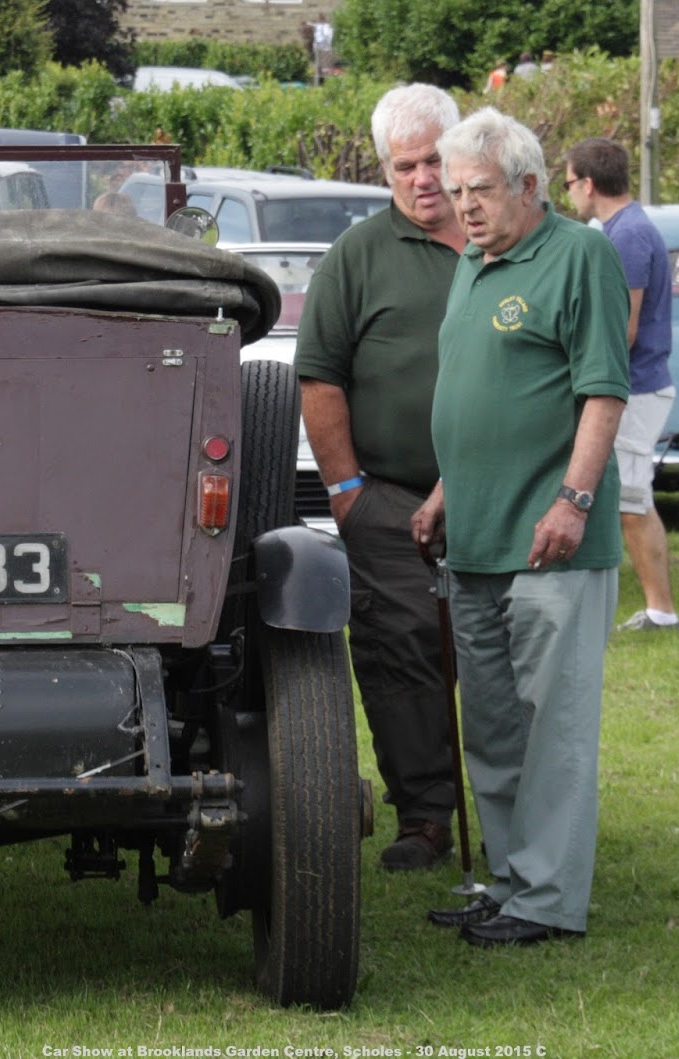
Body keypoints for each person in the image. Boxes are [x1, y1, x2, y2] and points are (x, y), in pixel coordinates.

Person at [413, 107, 629, 945]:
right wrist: (444, 490)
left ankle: (547, 899)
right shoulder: (473, 263)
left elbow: (602, 392)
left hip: (550, 542)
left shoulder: (581, 257)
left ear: (531, 186)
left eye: (480, 190)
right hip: (474, 537)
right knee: (495, 725)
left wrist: (573, 500)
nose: (462, 206)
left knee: (552, 727)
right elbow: (484, 392)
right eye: (455, 190)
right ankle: (508, 881)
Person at [293, 84, 465, 872]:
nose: (423, 178)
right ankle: (425, 816)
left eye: (434, 160)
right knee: (401, 655)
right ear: (385, 170)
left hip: (505, 493)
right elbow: (319, 376)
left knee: (501, 657)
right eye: (405, 166)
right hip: (392, 496)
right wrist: (347, 492)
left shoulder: (507, 238)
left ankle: (518, 812)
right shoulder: (357, 255)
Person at [564, 137, 679, 632]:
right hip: (634, 384)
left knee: (632, 502)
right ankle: (650, 608)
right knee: (623, 501)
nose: (569, 193)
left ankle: (662, 612)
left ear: (589, 184)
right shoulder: (622, 229)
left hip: (636, 386)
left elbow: (624, 328)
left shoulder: (628, 235)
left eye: (569, 184)